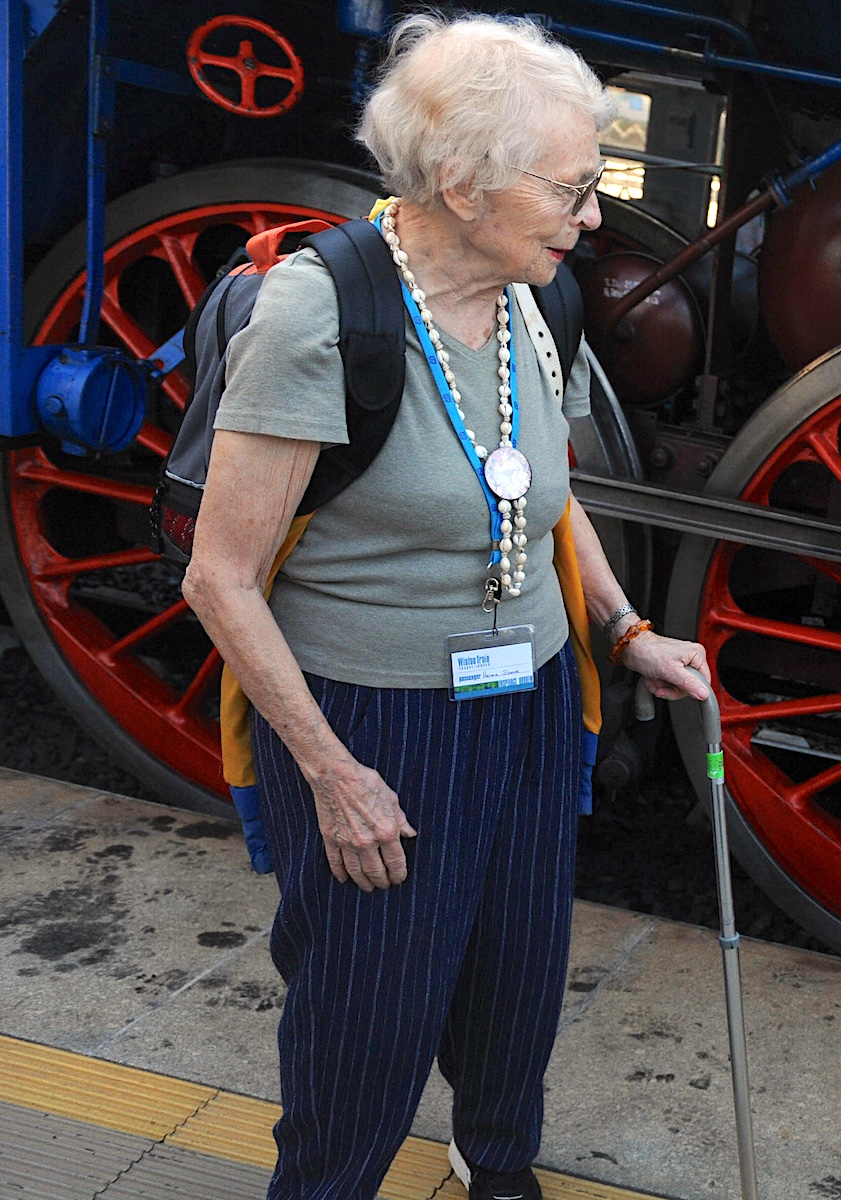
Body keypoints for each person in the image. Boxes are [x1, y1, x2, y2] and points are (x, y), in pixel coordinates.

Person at [181, 13, 709, 1200]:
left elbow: (547, 491)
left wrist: (622, 629)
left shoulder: (536, 297)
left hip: (524, 702)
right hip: (376, 724)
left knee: (518, 974)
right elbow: (217, 578)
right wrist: (334, 776)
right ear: (464, 184)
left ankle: (498, 1168)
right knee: (370, 1007)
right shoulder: (321, 314)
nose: (593, 217)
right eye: (573, 188)